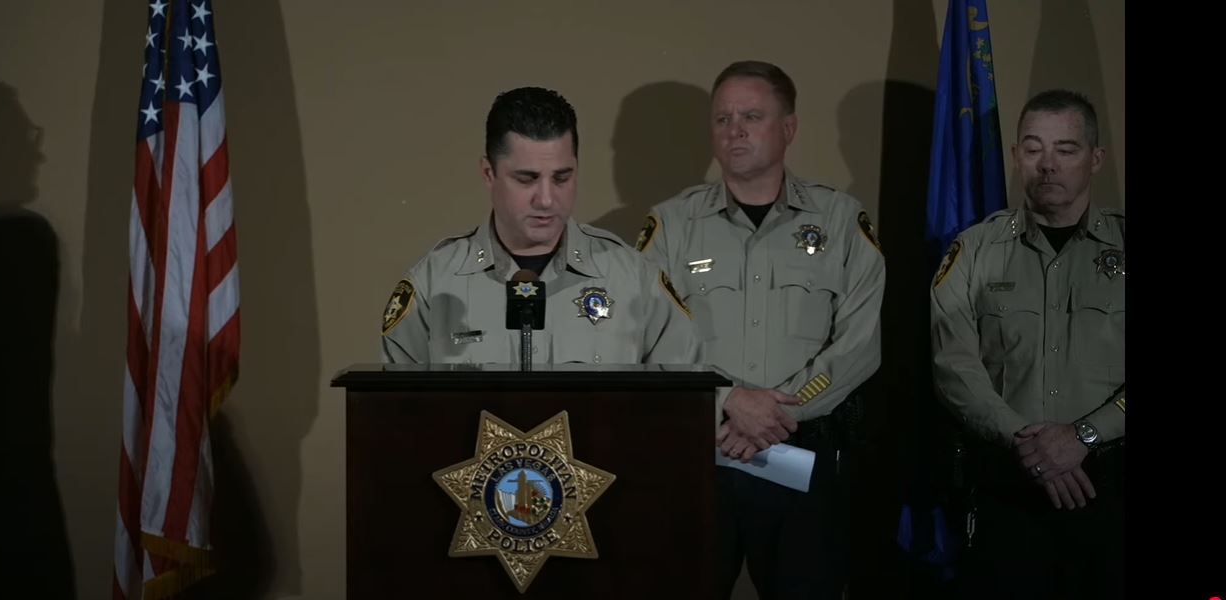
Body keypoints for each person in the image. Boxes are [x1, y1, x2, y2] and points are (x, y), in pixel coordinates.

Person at [637, 60, 885, 599]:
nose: (735, 130)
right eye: (723, 119)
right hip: (700, 462)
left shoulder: (841, 221)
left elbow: (861, 345)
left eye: (752, 115)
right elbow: (645, 337)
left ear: (789, 129)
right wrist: (727, 400)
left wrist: (780, 412)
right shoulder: (672, 226)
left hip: (804, 461)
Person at [930, 89, 1124, 599]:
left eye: (1067, 149)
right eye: (1033, 148)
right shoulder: (973, 251)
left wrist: (1083, 436)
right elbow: (954, 365)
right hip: (1008, 489)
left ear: (1095, 158)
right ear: (1015, 155)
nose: (1047, 165)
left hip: (1114, 491)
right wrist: (1028, 443)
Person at [381, 86, 699, 366]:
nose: (546, 199)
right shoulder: (433, 284)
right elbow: (396, 416)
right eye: (527, 178)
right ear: (488, 173)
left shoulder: (633, 279)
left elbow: (685, 405)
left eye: (562, 177)